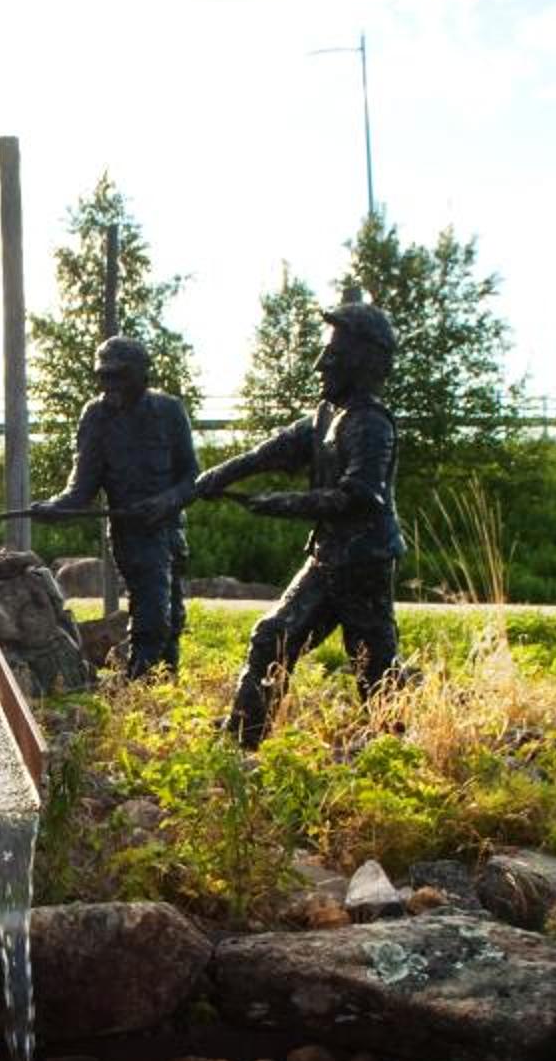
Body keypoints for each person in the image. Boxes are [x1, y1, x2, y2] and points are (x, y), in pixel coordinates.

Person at [167, 299, 403, 745]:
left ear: (361, 361)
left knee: (374, 664)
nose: (319, 365)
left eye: (332, 355)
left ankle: (395, 748)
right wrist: (216, 477)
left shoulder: (370, 425)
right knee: (274, 636)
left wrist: (281, 503)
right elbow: (269, 452)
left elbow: (359, 498)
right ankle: (243, 737)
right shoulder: (326, 417)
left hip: (364, 563)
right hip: (329, 557)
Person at [31, 334, 199, 676]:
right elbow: (82, 489)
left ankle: (165, 685)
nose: (110, 385)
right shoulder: (96, 417)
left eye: (119, 375)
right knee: (152, 615)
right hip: (132, 535)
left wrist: (166, 501)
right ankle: (142, 682)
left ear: (142, 374)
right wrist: (55, 509)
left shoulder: (170, 411)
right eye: (104, 376)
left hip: (170, 529)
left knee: (173, 618)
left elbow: (192, 477)